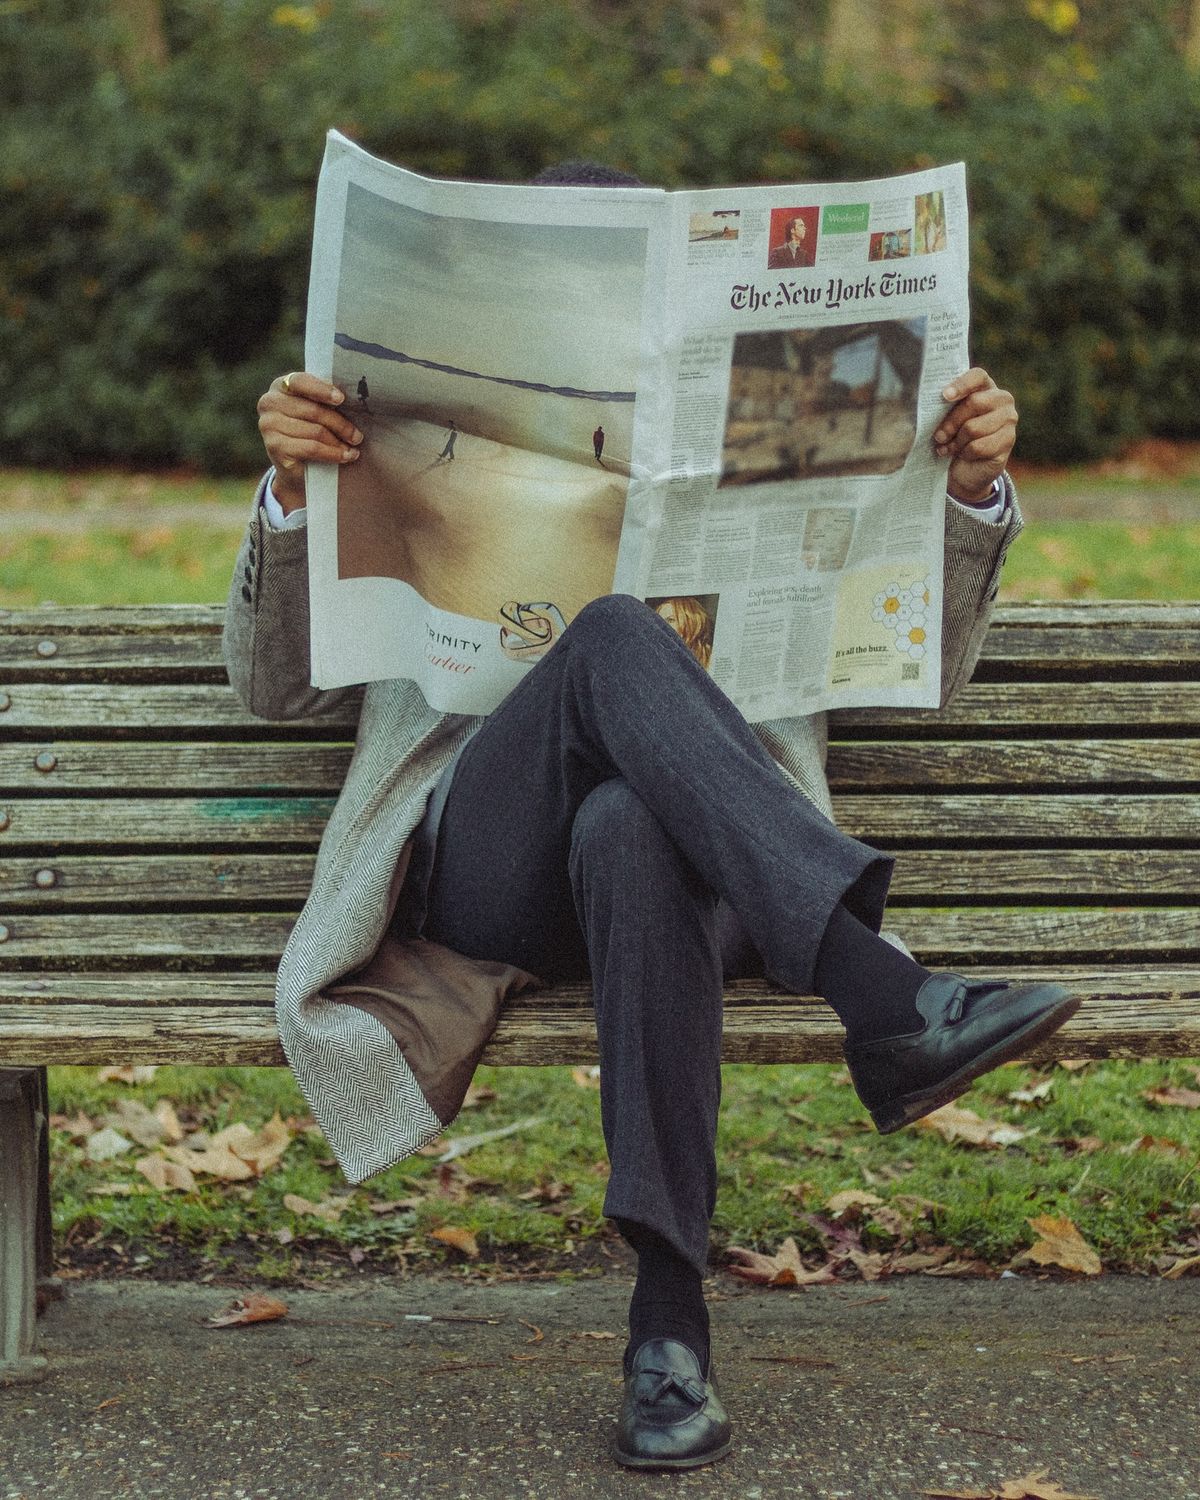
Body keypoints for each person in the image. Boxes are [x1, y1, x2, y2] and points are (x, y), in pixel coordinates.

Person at [226, 162, 1078, 1474]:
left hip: (711, 871)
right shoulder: (394, 439)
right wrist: (291, 492)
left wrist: (964, 490)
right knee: (614, 637)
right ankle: (884, 997)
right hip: (489, 877)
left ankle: (666, 1335)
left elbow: (931, 668)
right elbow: (273, 686)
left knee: (631, 822)